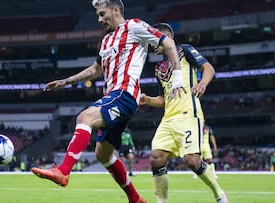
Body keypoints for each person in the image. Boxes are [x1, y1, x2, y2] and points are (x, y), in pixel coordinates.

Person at [30, 1, 185, 202]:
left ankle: (63, 171)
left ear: (116, 10)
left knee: (84, 117)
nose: (99, 19)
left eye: (102, 14)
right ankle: (135, 198)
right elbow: (95, 70)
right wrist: (65, 81)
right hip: (113, 97)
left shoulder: (134, 26)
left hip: (124, 94)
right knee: (103, 154)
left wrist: (178, 78)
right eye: (98, 15)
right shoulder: (106, 41)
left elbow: (168, 43)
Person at [140, 23, 229, 203]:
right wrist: (148, 100)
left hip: (188, 114)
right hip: (168, 119)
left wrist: (202, 83)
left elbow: (209, 68)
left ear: (165, 38)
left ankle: (220, 195)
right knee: (157, 158)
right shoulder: (158, 69)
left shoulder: (185, 50)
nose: (151, 46)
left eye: (153, 41)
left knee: (192, 161)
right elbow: (163, 99)